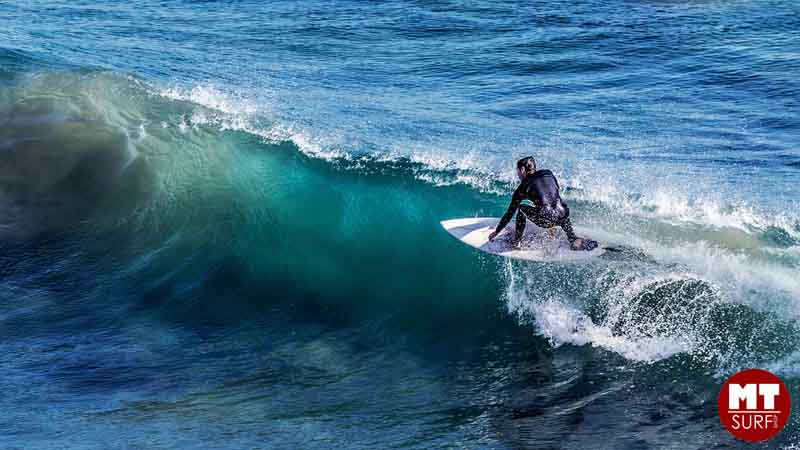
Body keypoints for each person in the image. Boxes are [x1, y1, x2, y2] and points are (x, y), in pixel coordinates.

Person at [488, 157, 597, 251]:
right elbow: (552, 194)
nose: (517, 174)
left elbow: (509, 213)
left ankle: (516, 241)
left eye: (517, 171)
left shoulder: (523, 187)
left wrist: (497, 232)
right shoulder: (548, 173)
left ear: (522, 170)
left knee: (521, 208)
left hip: (547, 217)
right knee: (555, 206)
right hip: (563, 214)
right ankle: (573, 239)